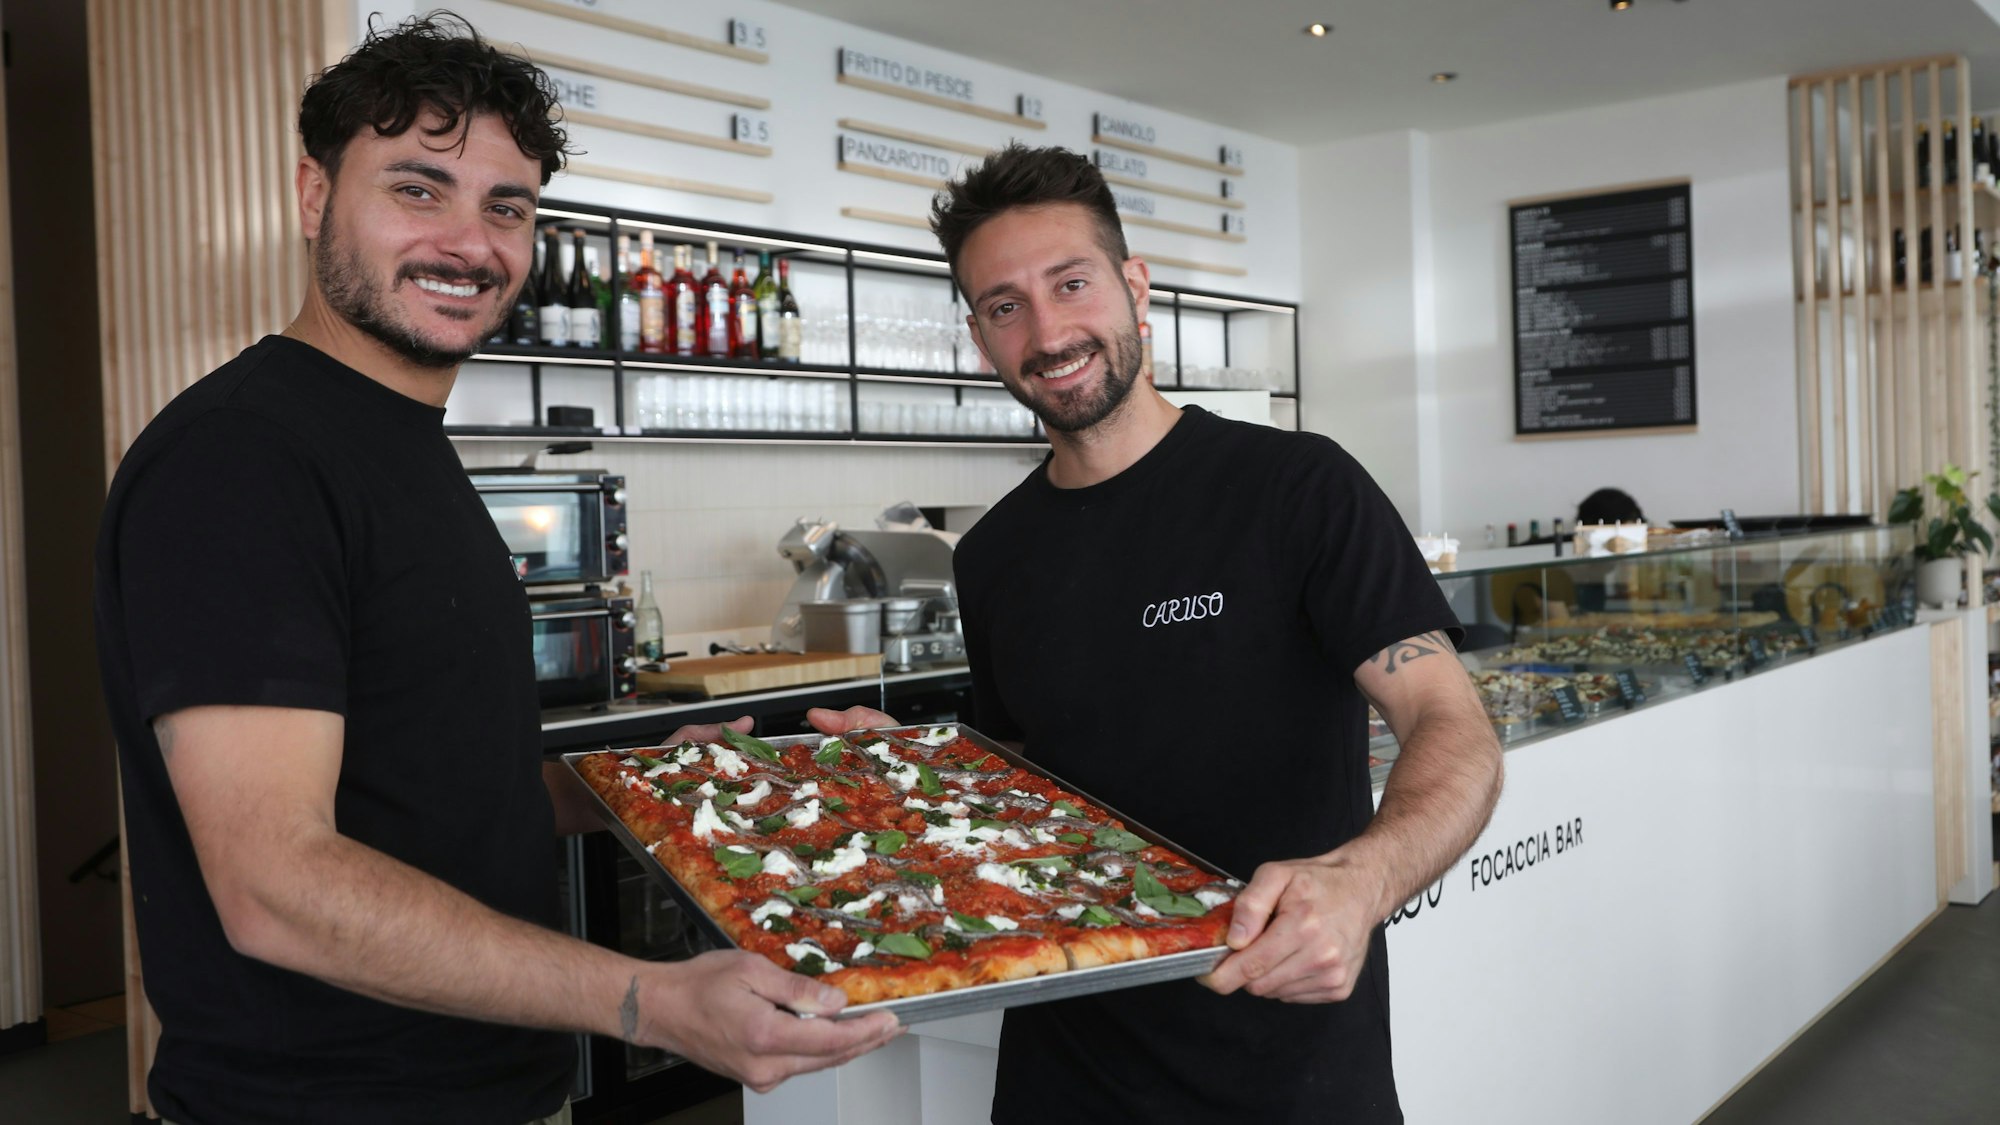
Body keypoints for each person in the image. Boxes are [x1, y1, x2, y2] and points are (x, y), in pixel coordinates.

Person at [92, 16, 897, 1124]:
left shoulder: (404, 450)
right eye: (418, 190)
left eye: (505, 207)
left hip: (496, 1089)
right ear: (313, 197)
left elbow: (437, 784)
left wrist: (644, 788)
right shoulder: (244, 460)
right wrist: (646, 1001)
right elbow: (275, 888)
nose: (470, 244)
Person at [807, 145, 1504, 1123]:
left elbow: (1450, 722)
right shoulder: (992, 554)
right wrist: (916, 779)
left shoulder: (1296, 488)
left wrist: (1361, 880)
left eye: (1071, 283)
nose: (1047, 332)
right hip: (1068, 1067)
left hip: (1284, 1069)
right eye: (1005, 306)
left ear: (1134, 288)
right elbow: (1020, 785)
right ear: (977, 337)